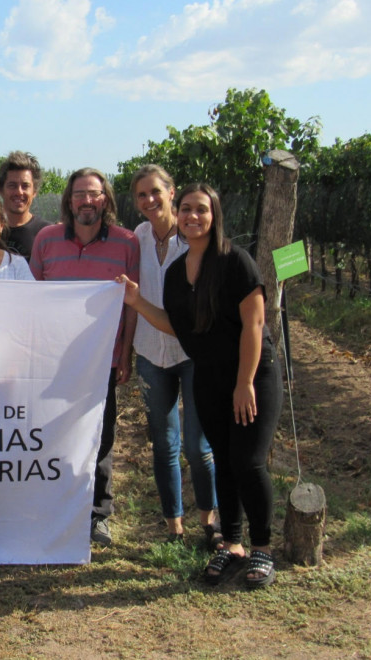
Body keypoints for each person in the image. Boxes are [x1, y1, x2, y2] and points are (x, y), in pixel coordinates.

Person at [119, 182, 282, 589]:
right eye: (187, 209)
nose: (192, 216)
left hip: (251, 375)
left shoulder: (235, 261)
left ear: (215, 215)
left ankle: (263, 547)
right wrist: (137, 302)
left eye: (201, 210)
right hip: (208, 377)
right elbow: (177, 326)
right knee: (224, 461)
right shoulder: (177, 272)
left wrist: (245, 383)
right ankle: (232, 544)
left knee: (249, 461)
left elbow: (254, 324)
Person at [30, 168, 139, 547]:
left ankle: (98, 514)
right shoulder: (46, 240)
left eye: (94, 194)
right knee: (51, 432)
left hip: (100, 362)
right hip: (51, 361)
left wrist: (125, 354)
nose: (87, 201)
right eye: (79, 194)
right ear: (69, 200)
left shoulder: (127, 244)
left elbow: (130, 307)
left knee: (101, 436)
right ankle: (53, 504)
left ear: (105, 199)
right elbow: (33, 301)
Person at [130, 165, 219, 548]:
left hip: (193, 355)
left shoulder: (194, 241)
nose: (150, 201)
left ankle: (210, 523)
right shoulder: (138, 237)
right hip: (150, 353)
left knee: (197, 447)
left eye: (156, 192)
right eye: (141, 196)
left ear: (171, 192)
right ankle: (174, 529)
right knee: (164, 446)